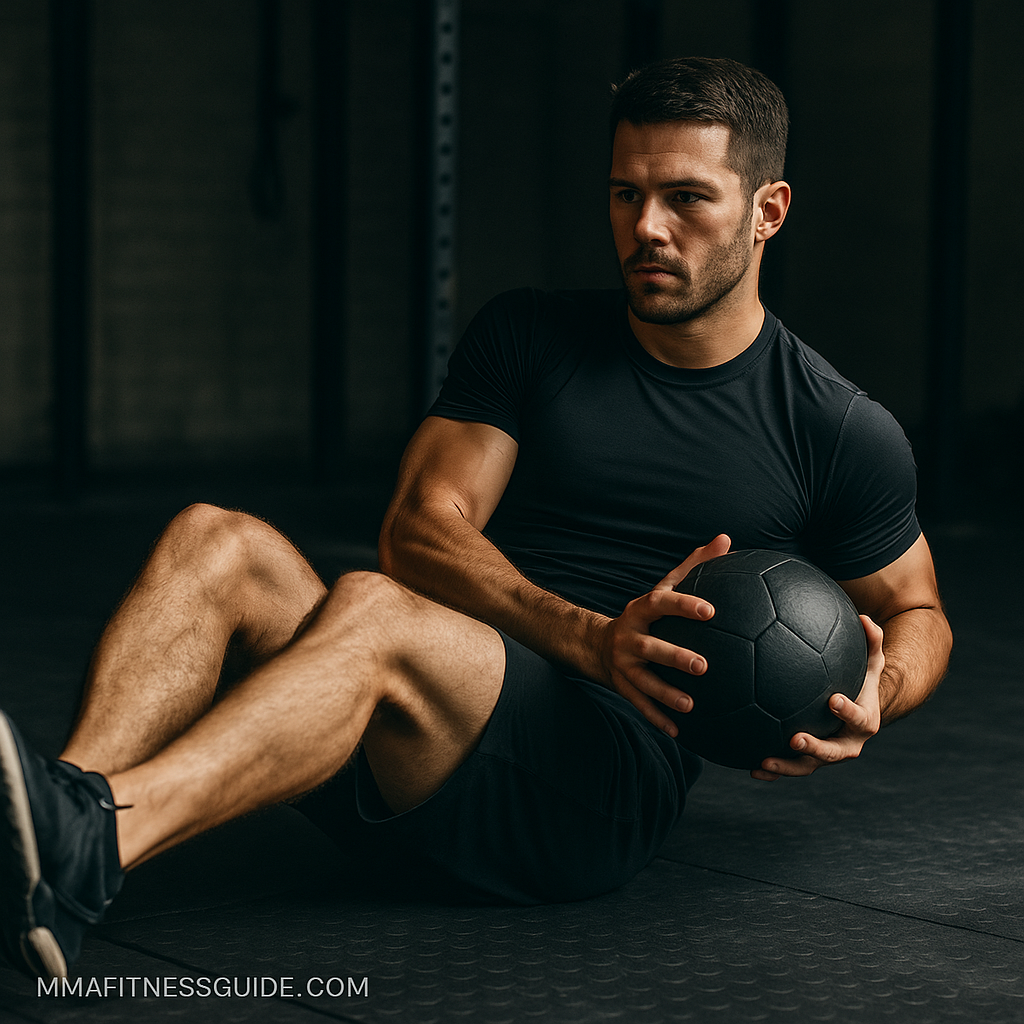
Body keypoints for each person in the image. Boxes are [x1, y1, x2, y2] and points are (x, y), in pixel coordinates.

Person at [0, 56, 951, 982]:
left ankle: (98, 838)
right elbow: (419, 526)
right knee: (216, 539)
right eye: (626, 194)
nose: (647, 228)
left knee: (372, 613)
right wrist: (589, 636)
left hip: (592, 794)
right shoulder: (532, 334)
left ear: (767, 211)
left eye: (687, 199)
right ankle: (45, 839)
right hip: (444, 705)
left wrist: (880, 691)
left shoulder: (833, 426)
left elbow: (919, 612)